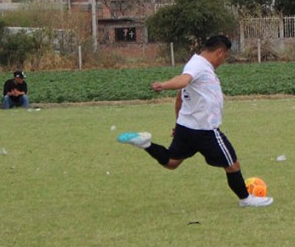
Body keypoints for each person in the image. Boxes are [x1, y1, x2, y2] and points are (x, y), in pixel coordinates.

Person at [116, 35, 273, 207]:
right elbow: (183, 80)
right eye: (225, 56)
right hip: (205, 130)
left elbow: (180, 98)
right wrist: (164, 85)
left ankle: (146, 144)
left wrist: (178, 124)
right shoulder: (198, 65)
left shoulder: (197, 64)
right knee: (232, 164)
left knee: (171, 162)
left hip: (186, 127)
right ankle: (246, 199)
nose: (223, 60)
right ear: (220, 52)